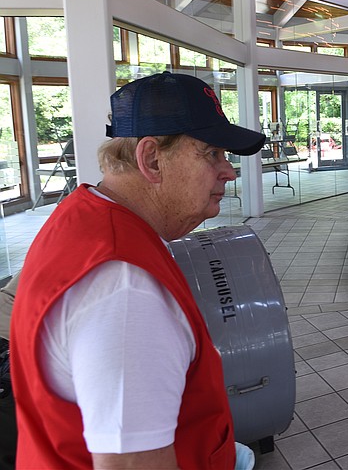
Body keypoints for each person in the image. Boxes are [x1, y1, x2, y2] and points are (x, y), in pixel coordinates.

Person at [10, 72, 266, 469]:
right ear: (151, 159)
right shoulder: (124, 291)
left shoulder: (87, 215)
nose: (229, 171)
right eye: (212, 152)